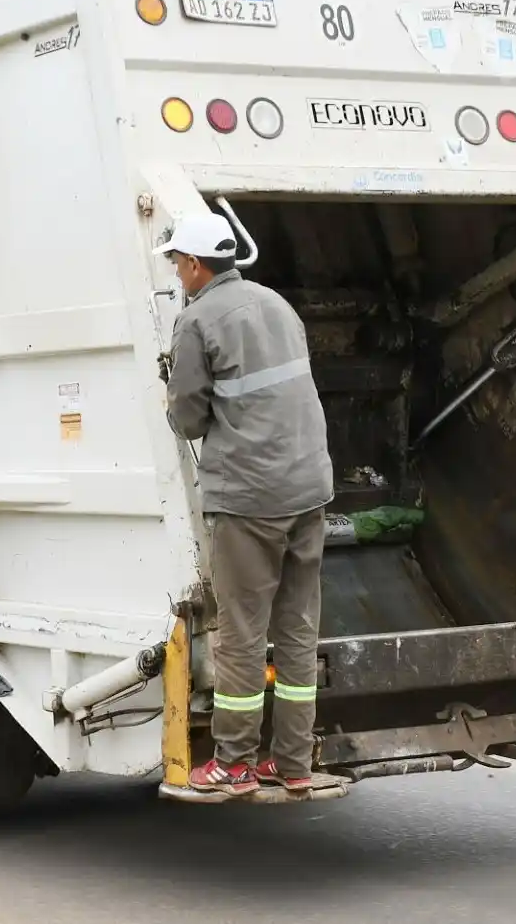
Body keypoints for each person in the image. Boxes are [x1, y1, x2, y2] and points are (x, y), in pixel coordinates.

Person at [155, 212, 333, 796]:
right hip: (309, 489)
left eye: (178, 262)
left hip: (251, 500)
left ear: (195, 265)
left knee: (242, 634)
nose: (177, 272)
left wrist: (171, 393)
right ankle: (294, 762)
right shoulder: (278, 304)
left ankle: (234, 763)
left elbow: (187, 418)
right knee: (298, 630)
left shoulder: (196, 320)